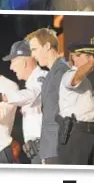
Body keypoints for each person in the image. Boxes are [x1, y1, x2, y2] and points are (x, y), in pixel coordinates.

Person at [0, 40, 48, 164]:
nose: (11, 67)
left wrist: (0, 97)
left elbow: (32, 95)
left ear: (24, 62)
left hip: (45, 148)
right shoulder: (30, 83)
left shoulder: (42, 77)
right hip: (36, 149)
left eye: (13, 62)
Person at [57, 38, 94, 165]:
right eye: (88, 56)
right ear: (74, 57)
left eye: (93, 56)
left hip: (91, 134)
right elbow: (75, 79)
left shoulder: (86, 81)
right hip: (77, 135)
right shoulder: (69, 75)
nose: (91, 59)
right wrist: (93, 63)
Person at [26, 28, 69, 164]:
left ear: (47, 46)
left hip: (58, 149)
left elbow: (58, 113)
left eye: (34, 49)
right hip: (51, 148)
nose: (32, 55)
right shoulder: (52, 73)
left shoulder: (61, 72)